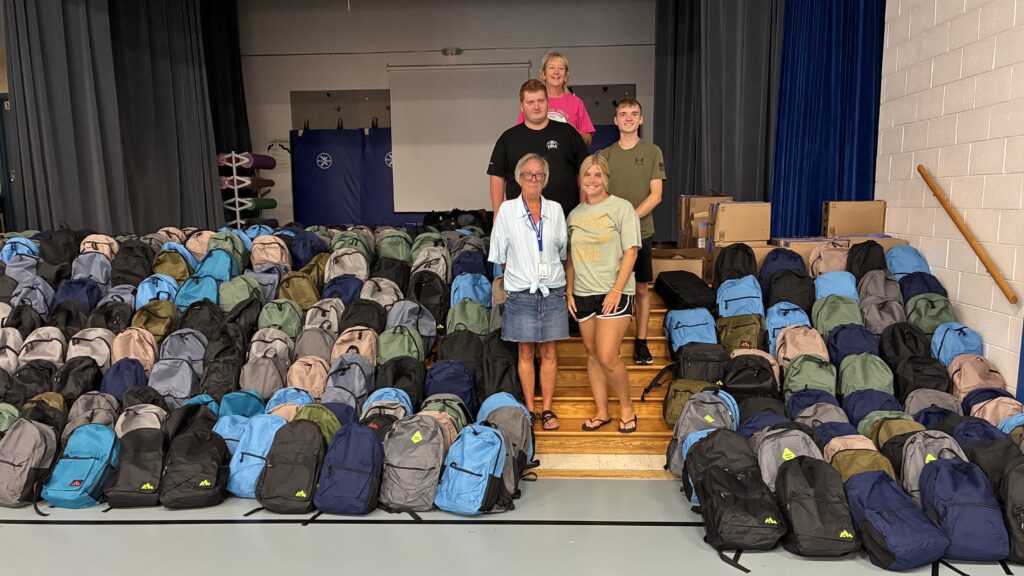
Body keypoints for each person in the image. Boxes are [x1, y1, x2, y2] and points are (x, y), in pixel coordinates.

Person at [488, 153, 569, 431]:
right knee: (524, 352)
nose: (533, 179)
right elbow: (499, 254)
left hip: (553, 291)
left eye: (539, 175)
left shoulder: (556, 210)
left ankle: (547, 409)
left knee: (549, 352)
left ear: (545, 180)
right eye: (528, 174)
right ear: (519, 179)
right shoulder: (507, 211)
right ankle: (530, 410)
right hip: (521, 292)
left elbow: (562, 250)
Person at [566, 155, 641, 433]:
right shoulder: (574, 214)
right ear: (581, 179)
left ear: (606, 178)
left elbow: (631, 251)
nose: (592, 180)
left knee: (608, 355)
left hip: (614, 292)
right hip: (583, 293)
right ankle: (601, 411)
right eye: (587, 175)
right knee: (592, 354)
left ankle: (627, 407)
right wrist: (569, 290)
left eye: (597, 175)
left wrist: (617, 290)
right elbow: (571, 258)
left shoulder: (622, 208)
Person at [597, 98, 665, 365]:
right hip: (610, 235)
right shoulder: (605, 155)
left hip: (641, 232)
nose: (628, 118)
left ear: (641, 119)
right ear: (615, 120)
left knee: (640, 289)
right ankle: (609, 346)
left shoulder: (652, 152)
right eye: (622, 114)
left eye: (633, 114)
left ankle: (641, 342)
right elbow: (596, 194)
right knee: (610, 288)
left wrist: (629, 218)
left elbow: (656, 194)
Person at [489, 79, 589, 220]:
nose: (536, 106)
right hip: (520, 221)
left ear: (548, 102)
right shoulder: (508, 138)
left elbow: (584, 172)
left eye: (540, 101)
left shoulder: (568, 133)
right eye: (530, 102)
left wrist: (584, 207)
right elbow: (497, 176)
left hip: (567, 218)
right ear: (522, 106)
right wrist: (497, 214)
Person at [516, 51, 596, 147]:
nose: (556, 72)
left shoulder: (576, 103)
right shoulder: (534, 100)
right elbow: (519, 134)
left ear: (566, 76)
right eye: (552, 68)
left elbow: (588, 139)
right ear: (543, 74)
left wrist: (573, 134)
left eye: (561, 68)